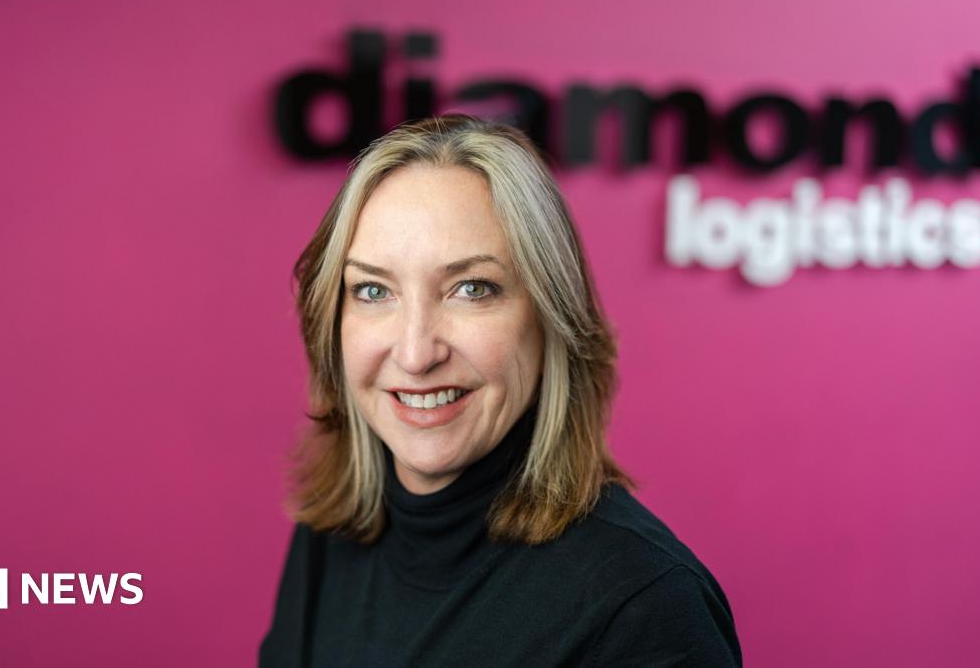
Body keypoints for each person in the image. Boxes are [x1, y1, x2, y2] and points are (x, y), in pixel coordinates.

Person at [259, 114, 742, 667]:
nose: (416, 354)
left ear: (550, 318)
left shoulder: (642, 606)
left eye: (471, 289)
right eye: (373, 289)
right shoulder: (331, 536)